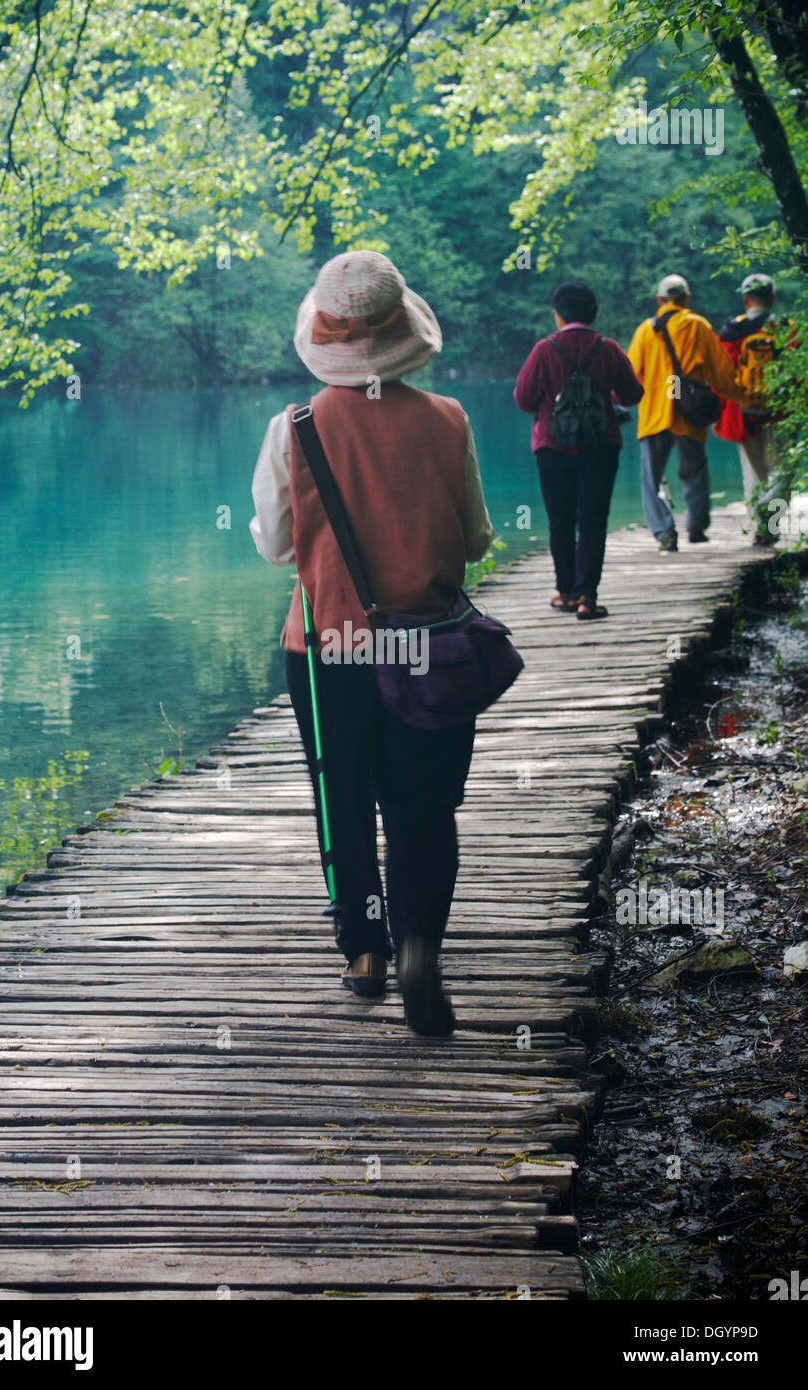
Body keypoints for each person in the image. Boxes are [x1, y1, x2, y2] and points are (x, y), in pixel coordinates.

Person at [249, 250, 494, 1036]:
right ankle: (420, 939)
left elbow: (278, 546)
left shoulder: (295, 428)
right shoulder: (449, 420)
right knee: (425, 805)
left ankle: (363, 952)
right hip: (427, 648)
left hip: (328, 653)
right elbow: (481, 541)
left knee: (343, 798)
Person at [513, 280, 643, 620]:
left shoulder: (544, 349)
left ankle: (566, 592)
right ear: (593, 313)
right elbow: (633, 394)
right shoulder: (609, 347)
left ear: (557, 315)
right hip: (601, 447)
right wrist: (607, 397)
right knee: (593, 522)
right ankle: (588, 598)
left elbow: (524, 399)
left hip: (551, 447)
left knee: (560, 521)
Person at [627, 273, 752, 551]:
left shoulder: (646, 330)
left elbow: (631, 375)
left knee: (651, 477)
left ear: (659, 300)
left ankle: (664, 531)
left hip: (656, 413)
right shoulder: (699, 326)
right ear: (686, 299)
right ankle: (696, 526)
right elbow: (721, 373)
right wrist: (743, 397)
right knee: (694, 470)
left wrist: (619, 404)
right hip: (689, 410)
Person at [713, 273, 787, 546]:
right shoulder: (785, 328)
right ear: (772, 298)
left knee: (754, 473)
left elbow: (721, 376)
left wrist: (725, 408)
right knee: (782, 471)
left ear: (746, 299)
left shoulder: (732, 331)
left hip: (743, 412)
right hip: (781, 413)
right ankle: (772, 525)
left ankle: (759, 527)